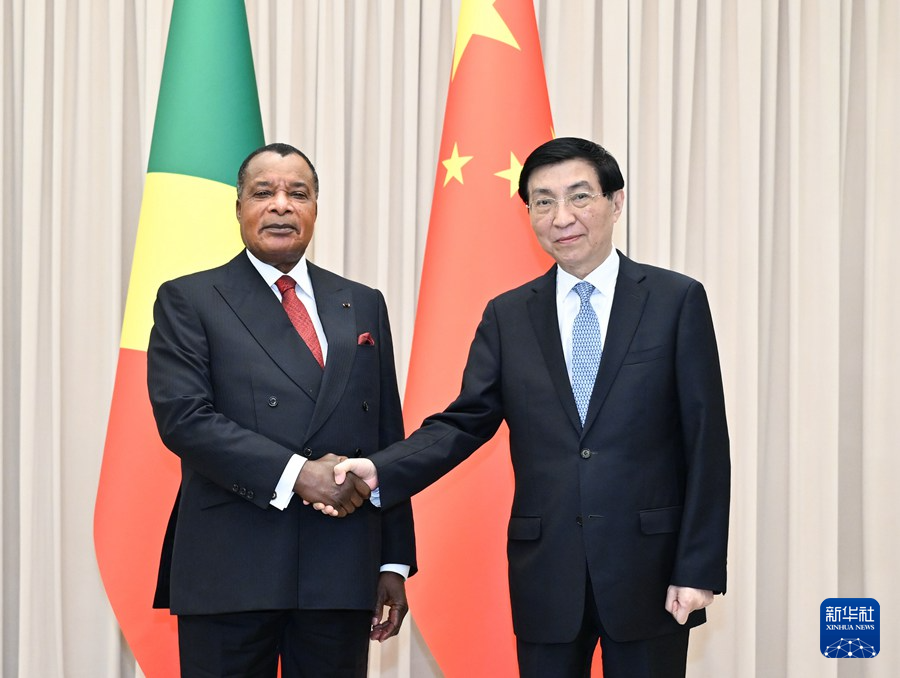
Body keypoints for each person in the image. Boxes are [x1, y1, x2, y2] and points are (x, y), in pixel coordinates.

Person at [326, 137, 730, 678]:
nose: (561, 217)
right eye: (543, 202)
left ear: (616, 202)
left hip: (651, 572)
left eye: (579, 196)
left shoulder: (675, 300)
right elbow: (464, 422)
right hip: (547, 573)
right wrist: (381, 469)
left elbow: (706, 443)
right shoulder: (509, 315)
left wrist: (697, 567)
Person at [147, 142, 416, 678]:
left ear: (315, 207)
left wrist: (393, 559)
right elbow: (185, 419)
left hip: (341, 561)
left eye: (298, 193)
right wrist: (299, 475)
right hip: (231, 563)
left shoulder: (362, 302)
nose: (281, 205)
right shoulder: (189, 298)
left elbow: (386, 432)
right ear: (238, 207)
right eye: (263, 192)